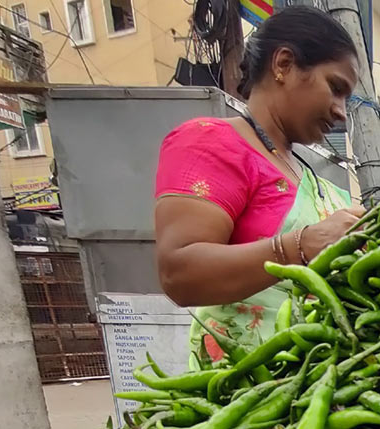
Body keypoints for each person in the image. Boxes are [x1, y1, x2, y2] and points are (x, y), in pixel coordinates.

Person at [153, 6, 365, 364]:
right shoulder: (213, 144)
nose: (341, 111)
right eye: (335, 87)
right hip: (243, 396)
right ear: (283, 64)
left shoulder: (310, 176)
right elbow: (178, 273)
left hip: (322, 389)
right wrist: (298, 245)